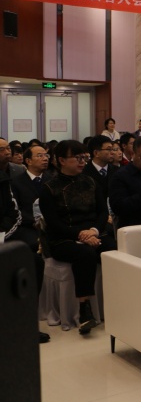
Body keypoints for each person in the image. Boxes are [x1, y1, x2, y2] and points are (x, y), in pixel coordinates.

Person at [40, 140, 117, 335]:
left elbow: (102, 212)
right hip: (63, 238)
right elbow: (53, 223)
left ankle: (118, 303)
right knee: (85, 254)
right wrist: (80, 235)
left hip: (93, 232)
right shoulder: (49, 188)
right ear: (61, 160)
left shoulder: (90, 182)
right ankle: (84, 310)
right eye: (77, 158)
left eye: (84, 157)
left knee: (113, 249)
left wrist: (94, 231)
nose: (83, 162)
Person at [6, 144, 50, 343]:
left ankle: (29, 320)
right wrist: (33, 221)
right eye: (40, 155)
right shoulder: (16, 182)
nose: (45, 158)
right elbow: (15, 211)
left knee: (38, 259)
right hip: (25, 227)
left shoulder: (51, 179)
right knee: (32, 247)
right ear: (28, 161)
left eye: (46, 155)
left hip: (49, 225)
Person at [83, 135, 119, 201]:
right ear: (96, 153)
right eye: (109, 149)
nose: (112, 152)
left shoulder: (117, 171)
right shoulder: (83, 173)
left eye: (113, 149)